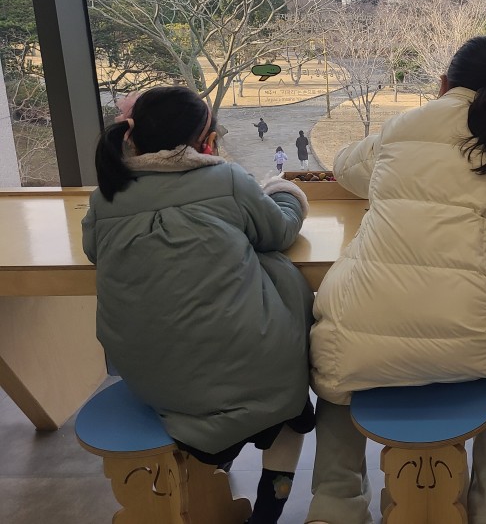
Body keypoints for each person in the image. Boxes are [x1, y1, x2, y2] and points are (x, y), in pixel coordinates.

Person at [305, 36, 486, 524]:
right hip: (470, 332)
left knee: (336, 372)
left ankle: (334, 505)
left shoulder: (404, 126)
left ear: (443, 83)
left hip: (363, 319)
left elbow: (345, 168)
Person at [82, 86, 315, 524]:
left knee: (206, 388)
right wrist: (285, 192)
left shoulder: (105, 197)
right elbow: (280, 231)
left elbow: (94, 249)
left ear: (132, 136)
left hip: (153, 380)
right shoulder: (227, 180)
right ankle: (267, 512)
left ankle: (214, 472)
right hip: (256, 366)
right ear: (205, 140)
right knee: (291, 409)